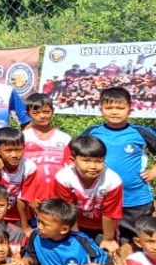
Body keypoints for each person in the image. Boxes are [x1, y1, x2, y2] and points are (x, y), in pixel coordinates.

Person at [79, 87, 156, 247]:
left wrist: (155, 170)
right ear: (101, 109)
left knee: (141, 243)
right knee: (108, 243)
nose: (114, 112)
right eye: (109, 108)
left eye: (120, 108)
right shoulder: (92, 133)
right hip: (101, 200)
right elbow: (73, 156)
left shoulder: (140, 133)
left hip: (136, 200)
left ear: (130, 109)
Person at [52, 135, 123, 251]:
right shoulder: (64, 177)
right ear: (73, 161)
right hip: (74, 223)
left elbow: (110, 214)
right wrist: (75, 235)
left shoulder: (112, 180)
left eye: (98, 161)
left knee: (109, 254)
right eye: (86, 161)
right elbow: (67, 209)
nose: (93, 166)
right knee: (75, 251)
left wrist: (108, 239)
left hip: (103, 226)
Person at [0, 127, 38, 227]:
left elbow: (23, 198)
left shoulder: (29, 167)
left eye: (18, 150)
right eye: (8, 150)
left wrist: (25, 226)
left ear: (24, 147)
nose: (14, 155)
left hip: (18, 214)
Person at [21, 92, 70, 201]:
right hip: (31, 196)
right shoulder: (23, 138)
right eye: (36, 113)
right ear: (28, 114)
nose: (42, 116)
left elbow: (70, 168)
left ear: (53, 112)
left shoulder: (65, 138)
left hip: (59, 195)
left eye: (46, 112)